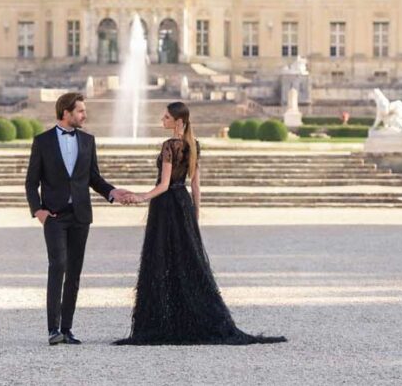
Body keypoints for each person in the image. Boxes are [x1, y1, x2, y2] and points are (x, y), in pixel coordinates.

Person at [114, 101, 286, 345]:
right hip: (182, 204)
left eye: (166, 117)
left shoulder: (170, 146)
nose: (162, 120)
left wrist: (140, 197)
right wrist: (194, 217)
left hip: (165, 207)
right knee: (189, 262)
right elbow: (195, 186)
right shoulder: (193, 145)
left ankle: (164, 322)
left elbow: (163, 185)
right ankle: (195, 319)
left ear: (178, 121)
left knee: (162, 259)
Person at [25, 92, 132, 346]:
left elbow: (93, 178)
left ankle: (67, 328)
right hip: (54, 216)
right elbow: (31, 182)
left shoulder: (87, 140)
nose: (85, 115)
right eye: (81, 111)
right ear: (66, 113)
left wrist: (112, 192)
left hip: (81, 215)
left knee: (74, 272)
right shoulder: (43, 141)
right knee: (58, 265)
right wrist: (38, 211)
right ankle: (53, 329)